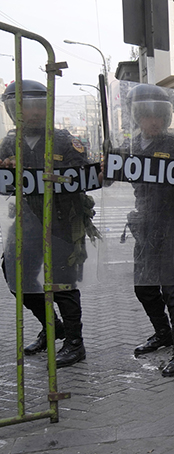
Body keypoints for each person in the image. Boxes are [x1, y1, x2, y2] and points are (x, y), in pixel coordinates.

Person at [0, 80, 96, 368]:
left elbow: (82, 178)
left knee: (62, 283)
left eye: (39, 107)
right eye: (26, 108)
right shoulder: (8, 142)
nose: (34, 114)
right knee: (16, 277)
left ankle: (75, 343)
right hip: (26, 221)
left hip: (61, 221)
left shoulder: (65, 141)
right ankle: (52, 326)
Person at [125, 84, 174, 377]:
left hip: (173, 225)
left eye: (157, 117)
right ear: (137, 117)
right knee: (144, 288)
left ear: (165, 118)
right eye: (145, 116)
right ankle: (162, 333)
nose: (151, 122)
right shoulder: (128, 147)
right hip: (144, 225)